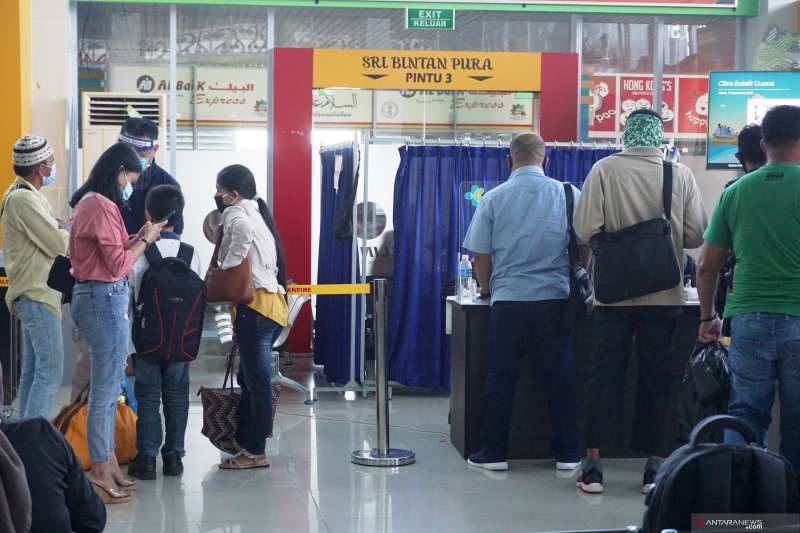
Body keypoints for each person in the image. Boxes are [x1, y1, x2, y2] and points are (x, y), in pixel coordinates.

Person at [573, 108, 708, 494]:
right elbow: (698, 234)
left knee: (603, 377)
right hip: (663, 296)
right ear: (658, 137)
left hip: (611, 297)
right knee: (658, 378)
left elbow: (584, 228)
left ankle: (594, 467)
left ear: (627, 135)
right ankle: (654, 469)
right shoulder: (677, 173)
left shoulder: (603, 170)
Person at [461, 132, 584, 472]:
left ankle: (495, 452)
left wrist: (487, 291)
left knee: (501, 378)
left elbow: (481, 257)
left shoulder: (494, 198)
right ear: (545, 159)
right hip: (555, 301)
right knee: (560, 378)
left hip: (509, 302)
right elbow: (586, 246)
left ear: (509, 160)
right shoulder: (569, 194)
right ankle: (568, 453)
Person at [697, 104, 800, 485]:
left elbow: (706, 266)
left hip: (749, 319)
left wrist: (708, 317)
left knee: (745, 414)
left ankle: (741, 505)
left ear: (763, 142)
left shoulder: (735, 192)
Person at [69, 142, 165, 503]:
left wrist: (139, 235)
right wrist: (148, 242)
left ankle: (108, 463)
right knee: (105, 393)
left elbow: (112, 251)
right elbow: (118, 265)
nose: (132, 186)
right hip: (101, 299)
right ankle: (98, 470)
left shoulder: (93, 202)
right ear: (118, 173)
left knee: (109, 391)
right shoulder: (99, 204)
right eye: (131, 178)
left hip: (100, 299)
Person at [213, 164, 288, 469]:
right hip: (270, 307)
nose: (216, 195)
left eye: (219, 190)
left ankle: (254, 451)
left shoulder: (236, 212)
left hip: (255, 308)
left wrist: (227, 266)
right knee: (249, 378)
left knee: (256, 383)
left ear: (233, 193)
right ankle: (246, 439)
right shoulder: (256, 212)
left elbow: (240, 236)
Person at [127, 185, 201, 480]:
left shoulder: (140, 253)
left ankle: (146, 460)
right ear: (179, 216)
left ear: (148, 214)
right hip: (182, 338)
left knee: (147, 396)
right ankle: (174, 459)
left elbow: (130, 298)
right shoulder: (191, 253)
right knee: (178, 395)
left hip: (146, 338)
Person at [0, 135, 69, 418]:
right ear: (40, 167)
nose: (53, 167)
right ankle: (36, 441)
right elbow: (59, 244)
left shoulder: (17, 195)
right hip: (37, 293)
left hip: (32, 293)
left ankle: (25, 437)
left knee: (32, 371)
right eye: (50, 161)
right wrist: (64, 230)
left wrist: (56, 226)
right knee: (50, 370)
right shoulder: (24, 199)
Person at [715, 124, 766, 332]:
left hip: (743, 296)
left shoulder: (732, 191)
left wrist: (708, 316)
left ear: (738, 157)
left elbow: (710, 260)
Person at [118, 117, 183, 236]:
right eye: (128, 149)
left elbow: (173, 235)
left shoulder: (168, 185)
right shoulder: (107, 180)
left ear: (155, 149)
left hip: (153, 252)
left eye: (140, 151)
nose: (133, 157)